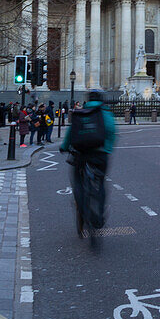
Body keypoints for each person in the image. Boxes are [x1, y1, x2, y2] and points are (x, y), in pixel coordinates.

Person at [60, 90, 117, 238]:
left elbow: (71, 133)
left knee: (78, 181)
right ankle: (99, 215)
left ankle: (83, 209)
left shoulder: (81, 112)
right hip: (100, 155)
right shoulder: (106, 113)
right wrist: (107, 149)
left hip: (82, 154)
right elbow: (111, 131)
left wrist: (64, 147)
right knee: (101, 182)